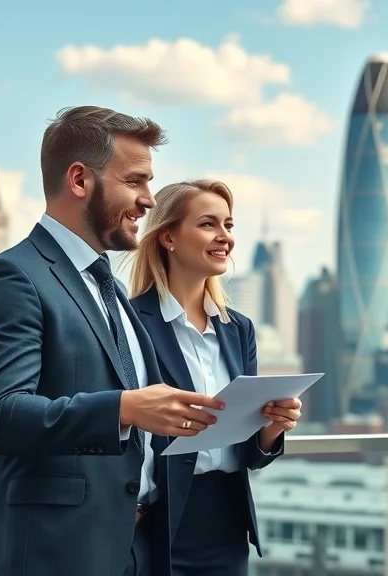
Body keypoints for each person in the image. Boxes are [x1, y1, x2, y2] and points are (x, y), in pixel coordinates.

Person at [0, 106, 226, 576]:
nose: (149, 200)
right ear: (80, 180)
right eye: (136, 181)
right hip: (51, 555)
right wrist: (123, 408)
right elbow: (0, 415)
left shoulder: (112, 289)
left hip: (134, 549)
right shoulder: (12, 277)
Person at [128, 179, 302, 576]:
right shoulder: (131, 323)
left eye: (229, 225)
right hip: (159, 521)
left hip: (226, 521)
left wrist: (273, 426)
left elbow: (249, 452)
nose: (225, 237)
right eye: (209, 224)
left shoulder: (238, 329)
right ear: (167, 237)